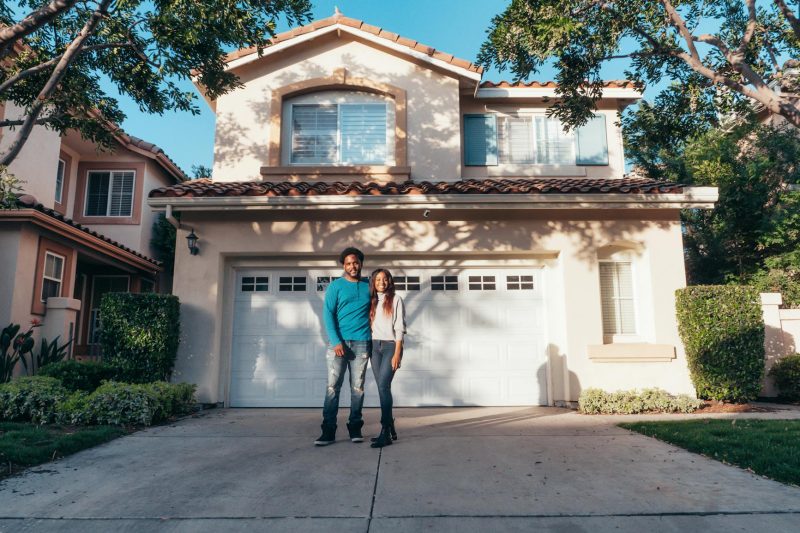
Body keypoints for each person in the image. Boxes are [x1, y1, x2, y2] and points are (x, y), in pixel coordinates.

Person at [314, 247, 372, 446]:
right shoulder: (336, 286)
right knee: (332, 388)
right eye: (348, 263)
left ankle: (355, 427)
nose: (352, 266)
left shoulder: (369, 286)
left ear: (361, 263)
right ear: (343, 266)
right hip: (338, 343)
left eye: (355, 262)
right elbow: (328, 314)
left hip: (362, 342)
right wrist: (336, 341)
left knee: (358, 389)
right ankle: (328, 430)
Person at [368, 268, 406, 448]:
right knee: (383, 387)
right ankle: (390, 425)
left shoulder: (396, 299)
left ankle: (385, 431)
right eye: (377, 280)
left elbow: (399, 327)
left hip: (391, 346)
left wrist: (398, 352)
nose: (381, 282)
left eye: (384, 279)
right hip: (374, 347)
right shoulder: (371, 301)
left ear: (389, 281)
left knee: (383, 386)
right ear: (373, 283)